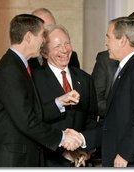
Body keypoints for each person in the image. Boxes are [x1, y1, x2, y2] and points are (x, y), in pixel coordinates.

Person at [0, 14, 83, 167]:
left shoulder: (19, 66)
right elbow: (26, 121)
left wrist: (58, 102)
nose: (44, 41)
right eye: (42, 35)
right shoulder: (10, 70)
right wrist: (62, 137)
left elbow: (29, 111)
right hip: (11, 161)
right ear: (28, 37)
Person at [83, 16, 134, 167]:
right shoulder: (127, 68)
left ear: (122, 40)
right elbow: (116, 120)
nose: (105, 42)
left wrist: (126, 153)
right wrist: (83, 140)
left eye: (109, 37)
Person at [32, 24, 98, 167]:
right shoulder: (35, 80)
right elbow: (34, 122)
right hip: (48, 161)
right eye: (57, 46)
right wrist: (63, 150)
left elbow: (91, 119)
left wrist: (85, 150)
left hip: (80, 162)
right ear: (44, 53)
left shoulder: (85, 79)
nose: (64, 49)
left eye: (67, 43)